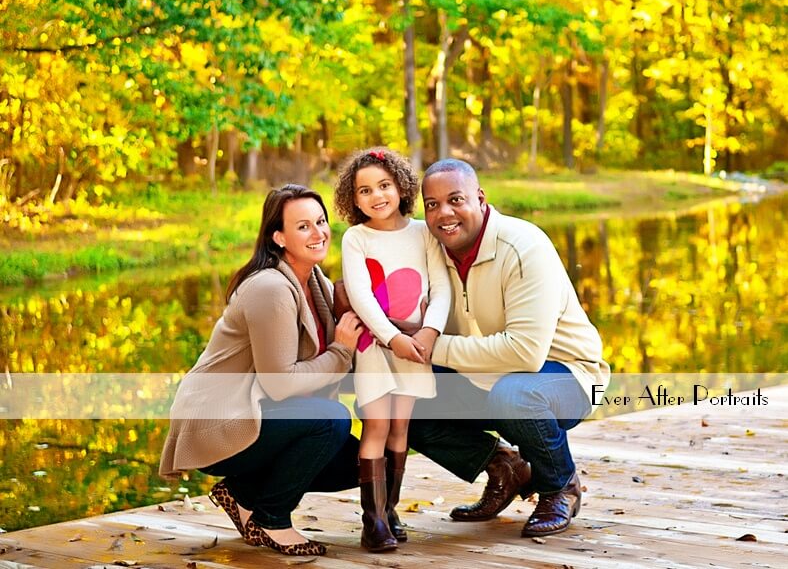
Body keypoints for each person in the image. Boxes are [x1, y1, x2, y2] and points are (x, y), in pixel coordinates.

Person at [408, 159, 610, 538]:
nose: (444, 213)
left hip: (571, 375)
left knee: (514, 395)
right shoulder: (430, 251)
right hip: (487, 376)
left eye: (455, 200)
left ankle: (559, 486)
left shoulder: (523, 246)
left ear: (481, 199)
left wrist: (431, 347)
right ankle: (505, 467)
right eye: (431, 204)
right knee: (399, 396)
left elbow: (526, 353)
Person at [159, 184, 363, 557]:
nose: (318, 233)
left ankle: (243, 494)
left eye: (320, 221)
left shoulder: (314, 281)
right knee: (331, 419)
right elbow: (282, 383)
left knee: (360, 462)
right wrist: (341, 350)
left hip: (258, 411)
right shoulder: (270, 287)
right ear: (278, 236)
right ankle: (272, 519)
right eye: (303, 226)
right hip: (219, 418)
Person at [333, 148, 451, 552]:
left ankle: (391, 509)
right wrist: (392, 338)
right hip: (375, 346)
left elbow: (441, 287)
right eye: (365, 190)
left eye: (384, 186)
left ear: (402, 186)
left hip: (416, 346)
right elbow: (362, 296)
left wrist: (430, 331)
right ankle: (373, 522)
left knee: (401, 427)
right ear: (353, 198)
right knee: (377, 425)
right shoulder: (356, 238)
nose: (377, 196)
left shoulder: (422, 232)